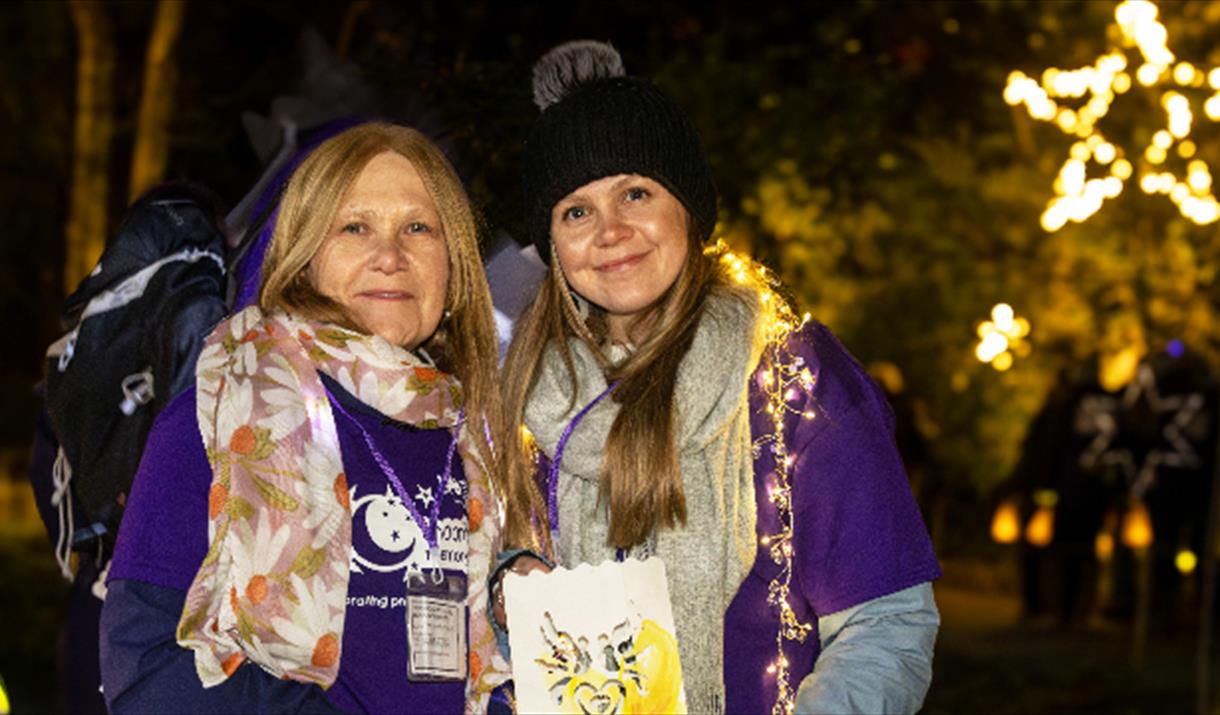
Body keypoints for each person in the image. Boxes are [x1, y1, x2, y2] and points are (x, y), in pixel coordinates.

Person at [494, 41, 942, 714]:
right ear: (552, 243)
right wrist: (509, 592)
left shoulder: (792, 379)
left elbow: (888, 624)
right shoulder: (519, 398)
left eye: (636, 193)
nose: (610, 231)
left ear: (689, 209)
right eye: (576, 211)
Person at [99, 122, 509, 713]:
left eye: (418, 228)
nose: (390, 256)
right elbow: (143, 664)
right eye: (355, 227)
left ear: (456, 262)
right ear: (305, 255)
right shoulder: (221, 411)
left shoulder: (477, 435)